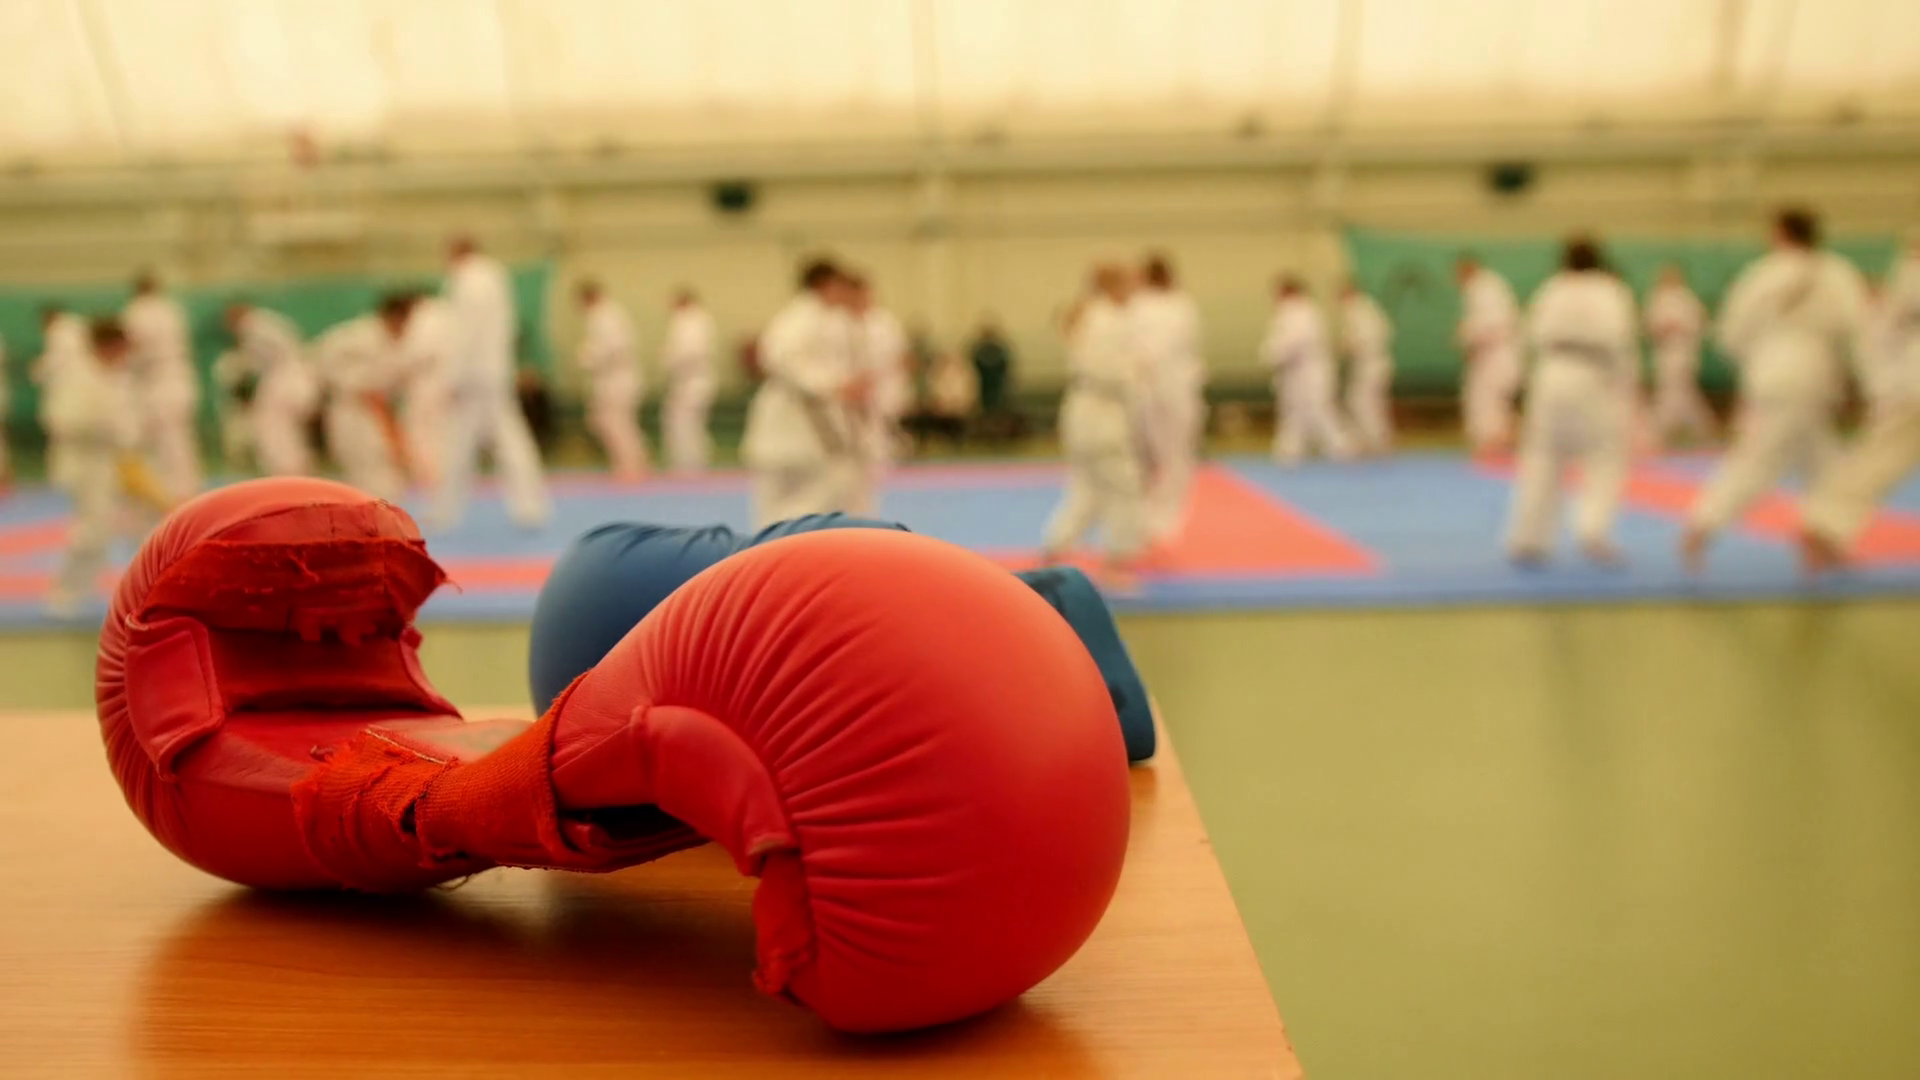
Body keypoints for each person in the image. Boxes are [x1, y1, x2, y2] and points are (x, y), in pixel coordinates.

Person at [1682, 207, 1869, 572]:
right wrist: (1860, 381)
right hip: (1814, 372)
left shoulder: (1762, 273)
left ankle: (1823, 539)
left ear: (1780, 233)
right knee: (1770, 457)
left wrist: (1750, 362)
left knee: (1819, 461)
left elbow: (1731, 332)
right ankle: (1703, 525)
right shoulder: (1836, 272)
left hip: (1771, 371)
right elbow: (1856, 326)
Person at [1504, 236, 1639, 566]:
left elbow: (1530, 334)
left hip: (1551, 373)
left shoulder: (1552, 289)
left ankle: (1528, 538)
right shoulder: (1611, 291)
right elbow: (1621, 341)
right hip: (1593, 374)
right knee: (1605, 455)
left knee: (1542, 456)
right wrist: (1628, 386)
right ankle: (1593, 530)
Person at [1798, 239, 1920, 572]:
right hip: (1909, 380)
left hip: (1906, 378)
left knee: (1882, 457)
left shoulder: (1909, 269)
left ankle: (1826, 523)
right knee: (1882, 456)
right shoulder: (1912, 269)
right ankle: (1825, 525)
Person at [429, 236, 550, 529]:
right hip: (494, 371)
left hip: (473, 375)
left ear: (455, 252)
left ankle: (447, 510)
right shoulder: (495, 276)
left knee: (461, 443)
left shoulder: (467, 280)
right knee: (506, 439)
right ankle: (530, 507)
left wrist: (452, 377)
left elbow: (465, 332)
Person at [1041, 264, 1148, 592]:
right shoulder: (1106, 320)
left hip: (1084, 411)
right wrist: (1136, 372)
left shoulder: (1091, 316)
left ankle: (1055, 550)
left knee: (1088, 487)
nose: (1133, 291)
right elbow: (1105, 368)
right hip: (1102, 414)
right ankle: (1116, 566)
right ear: (1114, 285)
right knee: (1123, 487)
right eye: (1129, 283)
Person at [741, 258, 866, 527]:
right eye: (838, 285)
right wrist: (832, 385)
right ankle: (774, 542)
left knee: (825, 485)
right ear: (825, 285)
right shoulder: (801, 316)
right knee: (792, 490)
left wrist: (835, 384)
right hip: (792, 414)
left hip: (805, 417)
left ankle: (778, 541)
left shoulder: (820, 316)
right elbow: (779, 357)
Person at [43, 319, 141, 616]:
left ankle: (136, 591)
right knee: (93, 530)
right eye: (122, 349)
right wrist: (103, 427)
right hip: (85, 464)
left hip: (112, 462)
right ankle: (64, 593)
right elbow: (60, 421)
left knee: (131, 525)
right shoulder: (79, 375)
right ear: (109, 346)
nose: (125, 355)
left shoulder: (112, 375)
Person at [1132, 254, 1206, 543]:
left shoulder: (1179, 305)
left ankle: (1163, 519)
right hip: (1154, 387)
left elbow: (1186, 344)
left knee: (1171, 455)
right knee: (1160, 455)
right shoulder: (1146, 305)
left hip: (1172, 385)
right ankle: (1153, 518)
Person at [317, 296, 414, 502]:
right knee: (356, 461)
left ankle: (379, 508)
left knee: (379, 460)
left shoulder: (388, 340)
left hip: (372, 409)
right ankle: (363, 510)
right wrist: (351, 384)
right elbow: (323, 360)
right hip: (349, 407)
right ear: (395, 316)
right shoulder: (359, 335)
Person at [122, 270, 202, 501]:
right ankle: (187, 486)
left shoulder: (137, 311)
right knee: (180, 436)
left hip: (157, 379)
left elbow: (134, 346)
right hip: (181, 376)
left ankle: (176, 491)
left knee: (164, 439)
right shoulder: (172, 309)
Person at [1262, 276, 1352, 464]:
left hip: (1310, 372)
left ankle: (1341, 447)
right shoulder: (1300, 312)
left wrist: (1271, 354)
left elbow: (1291, 342)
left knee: (1319, 410)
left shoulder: (1300, 312)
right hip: (1297, 372)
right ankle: (1289, 451)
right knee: (1294, 413)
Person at [223, 302, 319, 477]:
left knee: (272, 431)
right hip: (301, 379)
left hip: (283, 382)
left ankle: (287, 473)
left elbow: (254, 364)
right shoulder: (271, 322)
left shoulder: (252, 326)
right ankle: (299, 471)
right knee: (291, 435)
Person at [848, 273, 911, 515]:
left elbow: (902, 359)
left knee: (875, 459)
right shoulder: (841, 322)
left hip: (881, 396)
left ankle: (867, 511)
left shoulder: (884, 323)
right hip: (848, 403)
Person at [574, 280, 647, 482]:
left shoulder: (606, 316)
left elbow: (614, 347)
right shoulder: (606, 314)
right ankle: (628, 463)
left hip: (617, 378)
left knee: (618, 423)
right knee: (607, 422)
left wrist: (588, 357)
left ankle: (632, 466)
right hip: (611, 378)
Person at [1455, 256, 1523, 455]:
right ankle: (1498, 443)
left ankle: (1496, 445)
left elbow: (1489, 325)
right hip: (1496, 353)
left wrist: (1466, 338)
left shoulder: (1482, 288)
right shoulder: (1490, 286)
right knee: (1495, 404)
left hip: (1496, 355)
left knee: (1488, 402)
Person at [1645, 264, 1715, 448]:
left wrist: (1678, 328)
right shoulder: (1657, 298)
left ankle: (1660, 430)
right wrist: (1661, 330)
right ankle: (1701, 428)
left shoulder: (1687, 300)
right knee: (1678, 391)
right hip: (1664, 352)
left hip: (1683, 350)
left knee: (1675, 390)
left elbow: (1700, 325)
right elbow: (1650, 326)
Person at [398, 290, 452, 489]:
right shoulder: (447, 314)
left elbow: (416, 353)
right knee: (443, 431)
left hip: (425, 381)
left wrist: (402, 368)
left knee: (422, 431)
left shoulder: (423, 317)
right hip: (446, 381)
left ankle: (429, 476)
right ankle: (441, 475)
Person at [659, 287, 717, 472]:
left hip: (693, 381)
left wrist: (669, 359)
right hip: (687, 381)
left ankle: (691, 466)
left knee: (687, 425)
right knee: (683, 424)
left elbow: (690, 353)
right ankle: (687, 464)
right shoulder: (690, 321)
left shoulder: (693, 321)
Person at [1339, 280, 1396, 456]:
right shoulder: (1367, 309)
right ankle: (1369, 440)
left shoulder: (1361, 311)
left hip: (1371, 364)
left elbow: (1365, 339)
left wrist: (1348, 345)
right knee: (1365, 403)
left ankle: (1376, 441)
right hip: (1370, 364)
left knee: (1364, 404)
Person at [969, 320, 1017, 441]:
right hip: (984, 387)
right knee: (985, 412)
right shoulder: (979, 351)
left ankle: (999, 435)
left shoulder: (999, 350)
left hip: (997, 387)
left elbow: (1006, 368)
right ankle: (986, 435)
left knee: (998, 411)